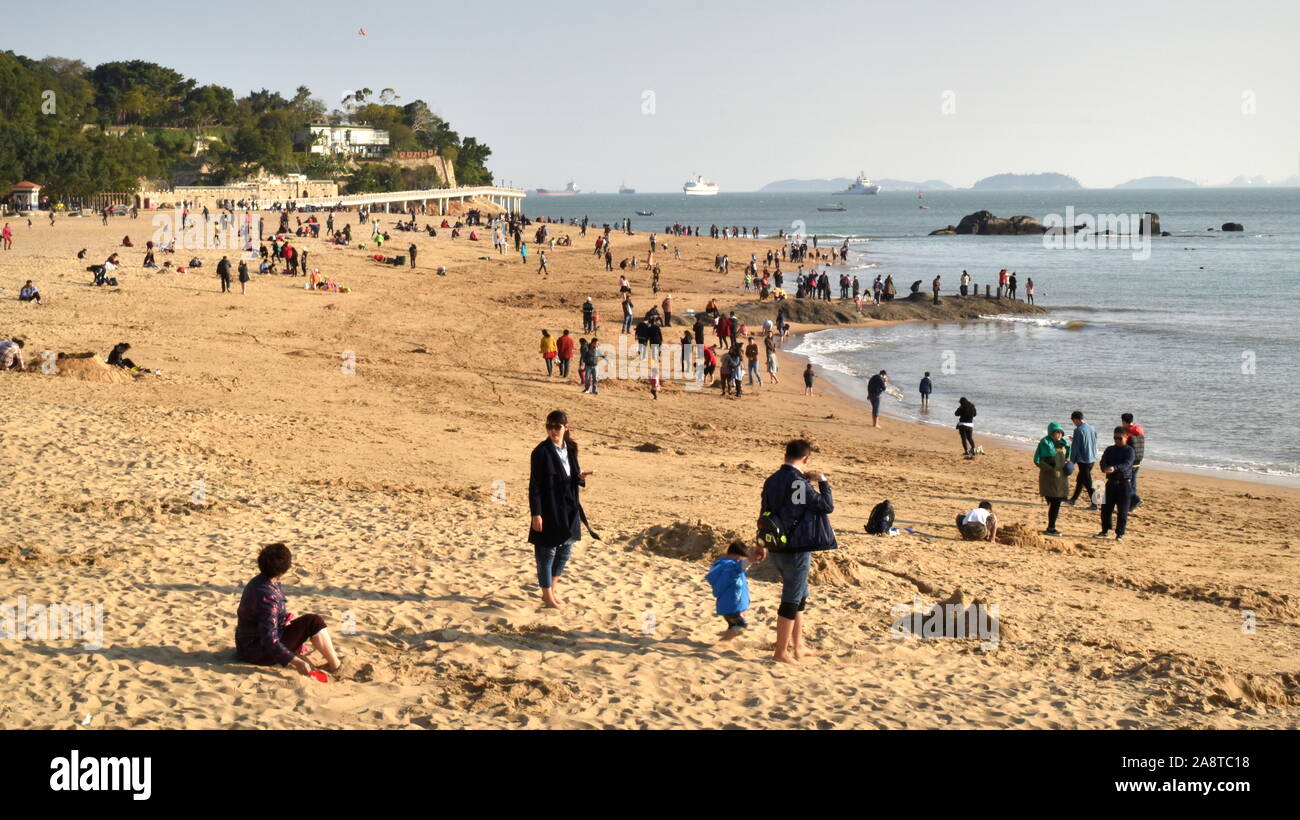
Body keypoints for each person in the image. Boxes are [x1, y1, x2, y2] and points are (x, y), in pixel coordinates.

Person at [755, 439, 836, 664]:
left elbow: (764, 513)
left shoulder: (772, 480)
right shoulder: (798, 482)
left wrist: (759, 544)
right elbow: (826, 506)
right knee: (792, 599)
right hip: (796, 548)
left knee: (799, 596)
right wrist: (823, 481)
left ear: (785, 455)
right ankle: (781, 652)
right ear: (806, 459)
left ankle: (798, 646)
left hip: (776, 545)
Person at [235, 543, 342, 677]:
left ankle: (333, 663)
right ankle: (336, 666)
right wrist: (297, 662)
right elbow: (269, 640)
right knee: (314, 622)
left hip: (246, 645)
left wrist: (282, 621)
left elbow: (262, 621)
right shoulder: (268, 597)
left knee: (307, 623)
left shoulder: (258, 581)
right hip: (256, 652)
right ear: (284, 569)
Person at [528, 410, 594, 609]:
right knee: (546, 553)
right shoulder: (540, 452)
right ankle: (547, 596)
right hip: (549, 509)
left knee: (565, 550)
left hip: (569, 508)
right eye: (550, 426)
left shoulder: (571, 448)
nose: (554, 430)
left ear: (567, 427)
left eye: (557, 426)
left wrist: (579, 477)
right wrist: (536, 513)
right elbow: (535, 486)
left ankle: (552, 589)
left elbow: (572, 475)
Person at [705, 541, 751, 641]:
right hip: (733, 606)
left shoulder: (721, 566)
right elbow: (742, 566)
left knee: (733, 626)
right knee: (742, 625)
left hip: (725, 606)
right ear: (738, 558)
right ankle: (723, 642)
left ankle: (727, 641)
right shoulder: (732, 568)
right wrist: (752, 559)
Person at [1096, 426, 1135, 541]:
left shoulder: (1129, 451)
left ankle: (1120, 534)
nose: (1117, 440)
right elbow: (1103, 461)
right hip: (1111, 483)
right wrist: (1104, 468)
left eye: (1119, 438)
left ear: (1126, 437)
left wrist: (1115, 468)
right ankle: (1105, 531)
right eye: (1115, 438)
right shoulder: (1110, 449)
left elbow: (1127, 464)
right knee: (1106, 509)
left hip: (1124, 484)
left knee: (1122, 511)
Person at [1035, 422, 1071, 536]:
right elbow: (1037, 460)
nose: (1059, 434)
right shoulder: (1045, 443)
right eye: (1056, 432)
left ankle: (1051, 527)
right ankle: (1051, 528)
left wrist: (1069, 465)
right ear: (1051, 432)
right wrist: (1051, 469)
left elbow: (1066, 458)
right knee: (1055, 503)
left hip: (1061, 479)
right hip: (1049, 479)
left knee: (1056, 503)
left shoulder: (1064, 445)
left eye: (1060, 432)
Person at [1067, 410, 1099, 509]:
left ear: (1076, 420)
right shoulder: (1092, 428)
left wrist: (1072, 460)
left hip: (1084, 459)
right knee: (1080, 479)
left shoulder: (1078, 430)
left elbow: (1075, 448)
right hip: (1092, 458)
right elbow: (1093, 441)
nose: (1074, 423)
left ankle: (1095, 504)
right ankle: (1073, 499)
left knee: (1087, 482)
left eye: (1073, 421)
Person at [1121, 413, 1145, 509]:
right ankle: (1132, 504)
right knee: (1133, 482)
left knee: (1126, 482)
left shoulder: (1128, 432)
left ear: (1124, 422)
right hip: (1138, 459)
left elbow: (1124, 446)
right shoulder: (1139, 429)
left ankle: (1135, 499)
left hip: (1130, 460)